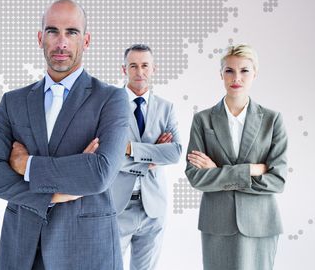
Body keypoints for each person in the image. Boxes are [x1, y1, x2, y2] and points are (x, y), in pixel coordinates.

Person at [0, 0, 128, 270]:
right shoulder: (13, 101)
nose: (61, 42)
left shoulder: (111, 99)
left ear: (86, 40)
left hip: (86, 248)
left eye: (71, 32)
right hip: (22, 249)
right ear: (40, 38)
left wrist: (27, 165)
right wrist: (53, 195)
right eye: (52, 31)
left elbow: (99, 174)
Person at [185, 44, 287, 270]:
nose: (236, 78)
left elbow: (277, 181)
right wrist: (251, 169)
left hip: (261, 223)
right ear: (220, 74)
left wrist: (217, 172)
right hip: (217, 223)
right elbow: (195, 177)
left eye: (244, 71)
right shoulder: (203, 120)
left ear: (255, 73)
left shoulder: (272, 120)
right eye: (229, 70)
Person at [109, 44, 182, 270]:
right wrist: (152, 156)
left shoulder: (166, 108)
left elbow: (175, 152)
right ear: (124, 69)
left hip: (153, 209)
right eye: (133, 66)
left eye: (144, 66)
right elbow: (108, 154)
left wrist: (131, 148)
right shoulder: (109, 105)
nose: (139, 72)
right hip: (117, 206)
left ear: (153, 69)